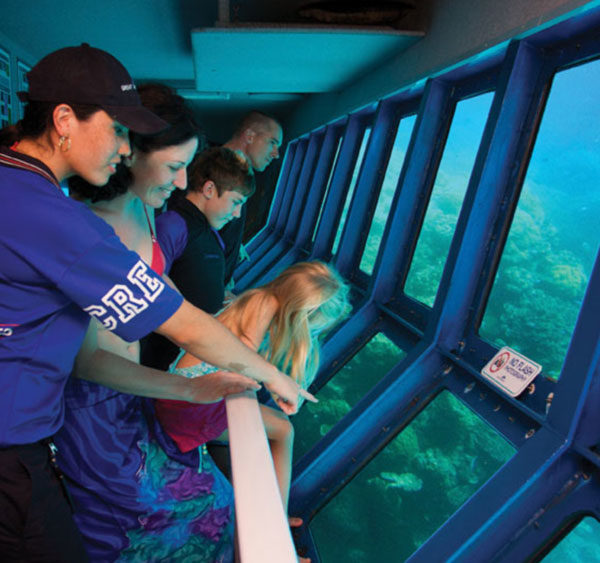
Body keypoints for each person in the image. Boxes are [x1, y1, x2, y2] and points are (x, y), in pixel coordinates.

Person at [0, 44, 308, 562]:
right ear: (63, 120)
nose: (125, 147)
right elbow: (180, 322)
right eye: (118, 129)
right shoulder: (59, 219)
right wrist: (273, 376)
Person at [155, 261, 350, 525]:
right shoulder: (265, 303)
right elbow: (240, 352)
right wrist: (272, 378)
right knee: (283, 430)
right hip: (185, 405)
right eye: (314, 328)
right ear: (301, 314)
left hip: (181, 398)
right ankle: (276, 518)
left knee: (277, 428)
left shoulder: (260, 298)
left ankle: (273, 514)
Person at [141, 146, 255, 371]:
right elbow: (149, 287)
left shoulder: (211, 234)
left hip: (186, 356)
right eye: (236, 202)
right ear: (210, 189)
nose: (237, 214)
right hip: (158, 359)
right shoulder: (172, 225)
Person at [220, 111, 283, 286]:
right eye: (273, 143)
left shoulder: (240, 176)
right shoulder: (217, 172)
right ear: (249, 136)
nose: (276, 154)